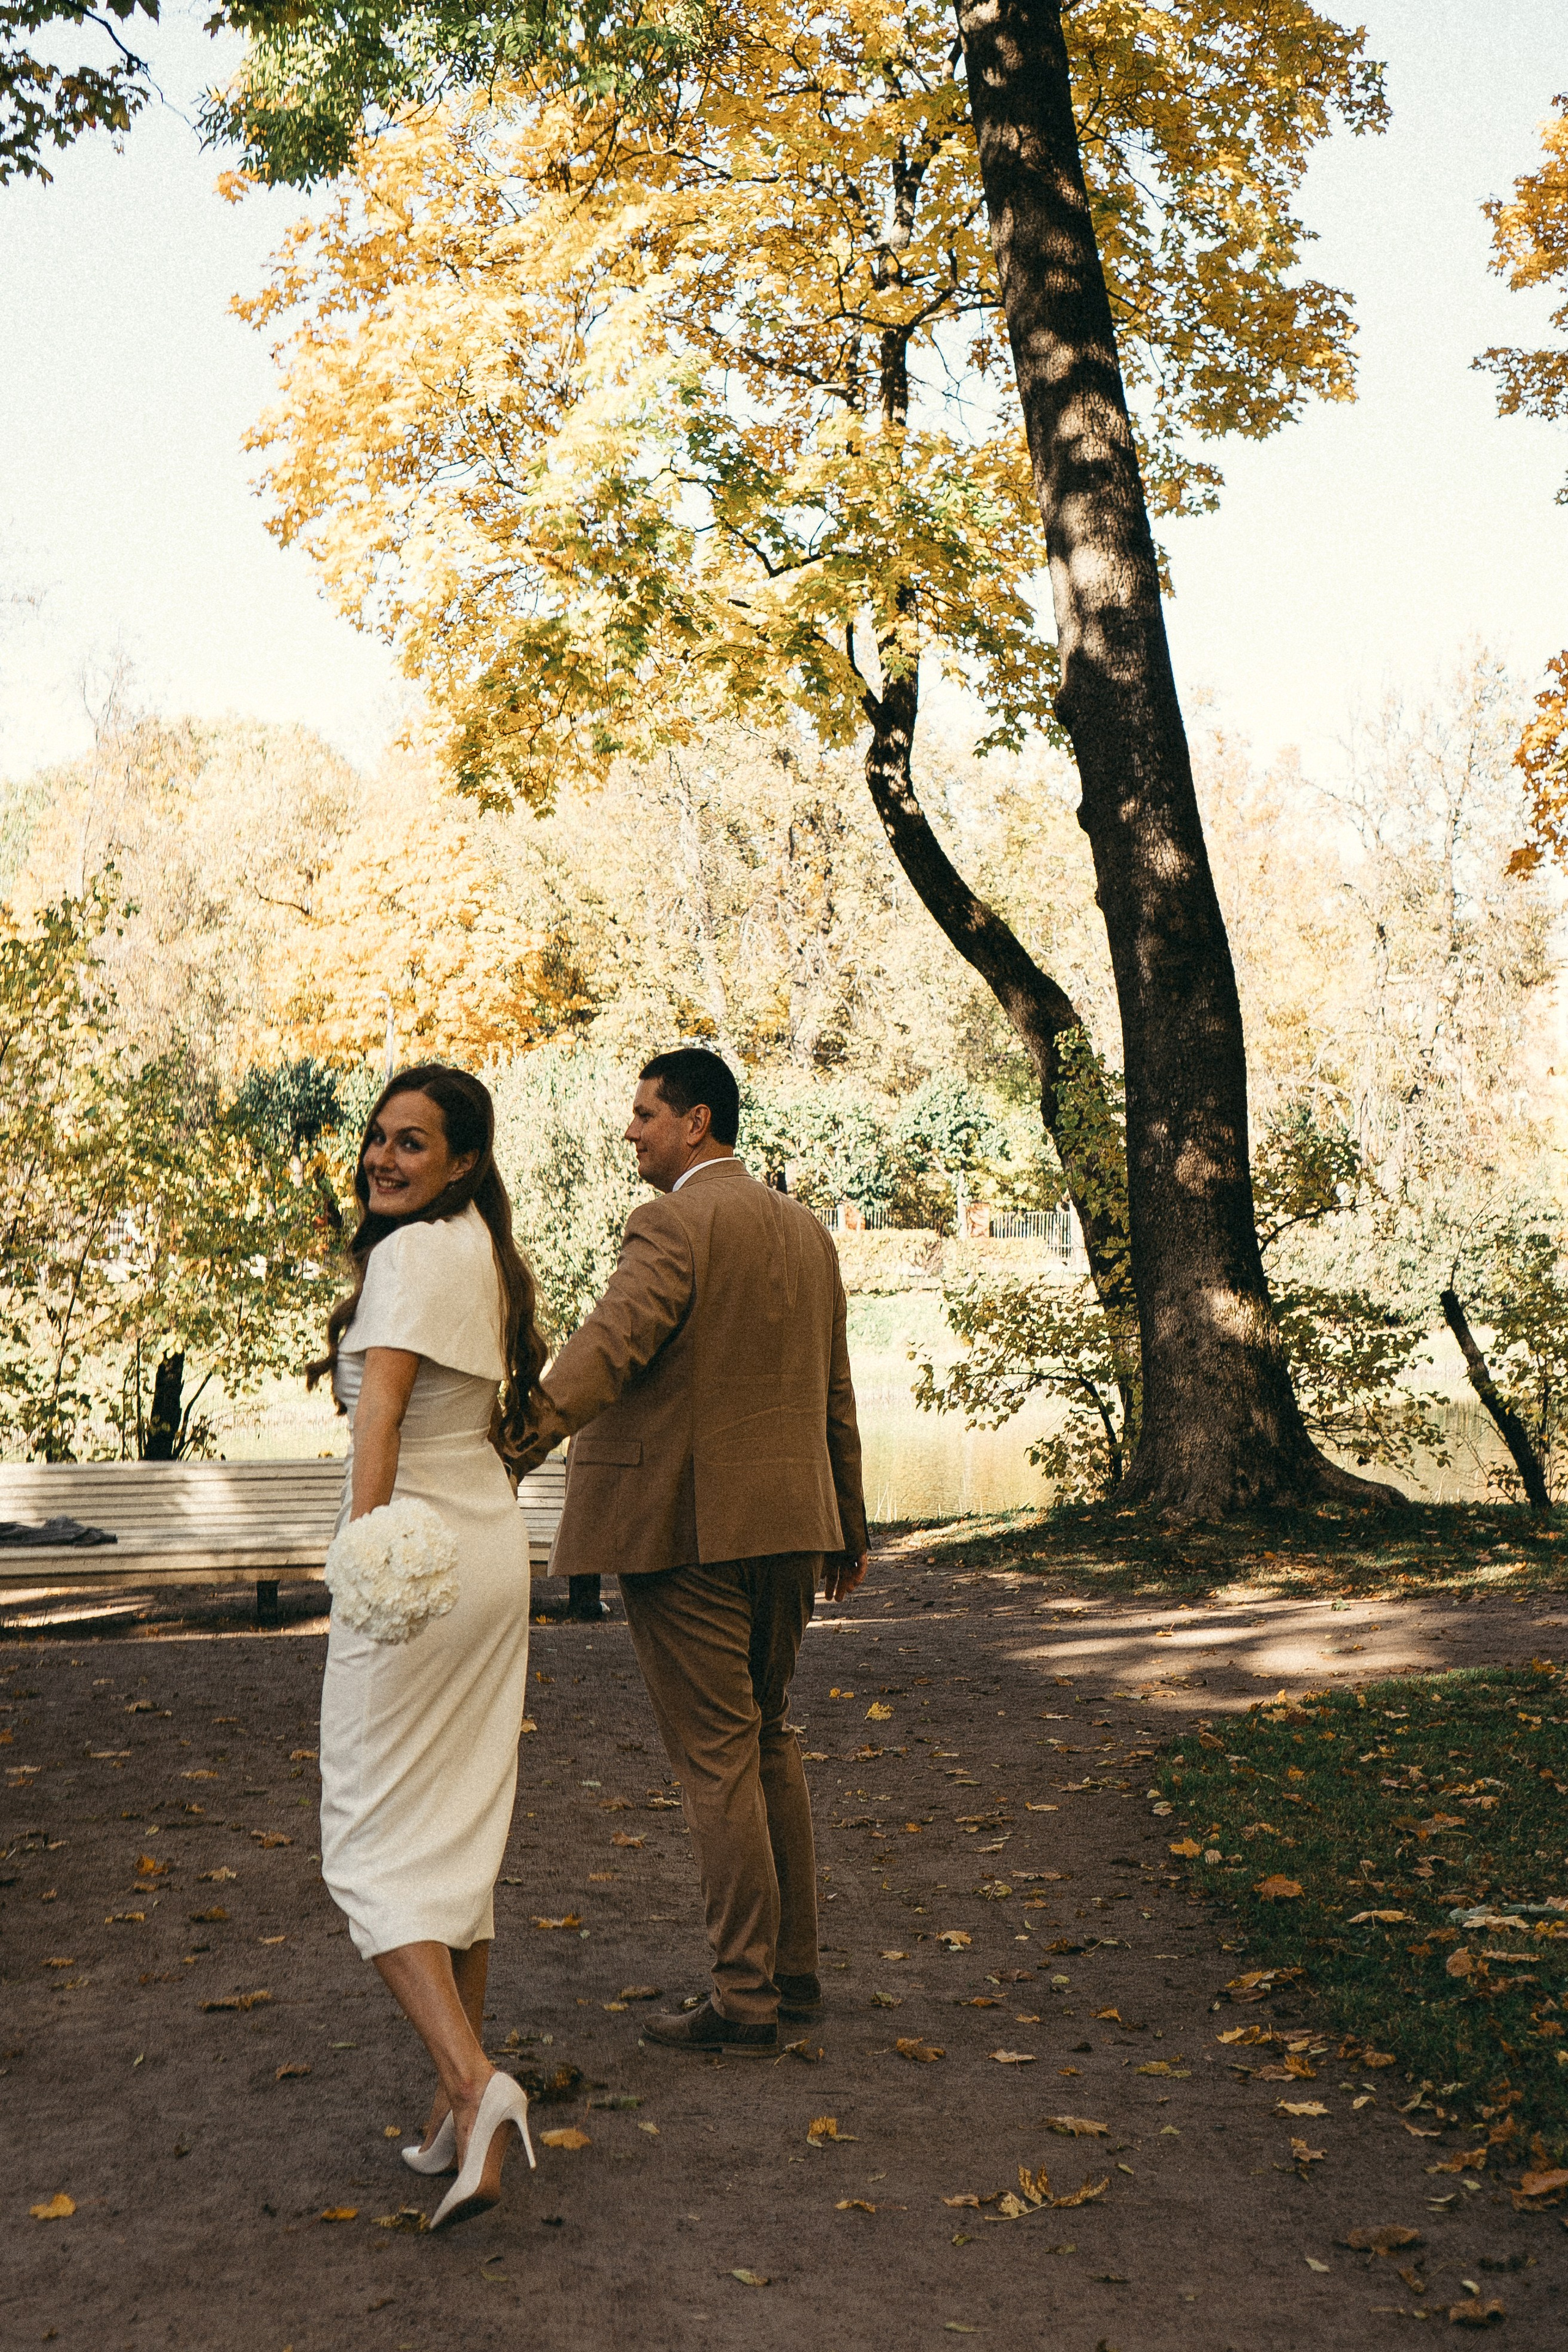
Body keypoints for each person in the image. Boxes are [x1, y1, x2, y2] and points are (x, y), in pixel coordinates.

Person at [511, 1046, 869, 2057]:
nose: (631, 1131)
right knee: (768, 1740)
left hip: (688, 1531)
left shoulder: (671, 1222)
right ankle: (793, 1977)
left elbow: (612, 1345)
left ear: (696, 1122)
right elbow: (836, 1390)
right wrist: (848, 1520)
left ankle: (744, 1998)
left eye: (644, 1114)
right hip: (793, 1529)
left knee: (717, 1758)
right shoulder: (806, 1232)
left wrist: (516, 1442)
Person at [310, 1065, 545, 2229]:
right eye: (378, 1141)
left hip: (415, 1572)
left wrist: (361, 1563)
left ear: (463, 1161)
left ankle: (475, 2085)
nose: (386, 1160)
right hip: (491, 1557)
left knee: (364, 1842)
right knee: (455, 1833)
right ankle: (456, 2121)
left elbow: (385, 1419)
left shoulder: (407, 1257)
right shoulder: (482, 1257)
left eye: (415, 1145)